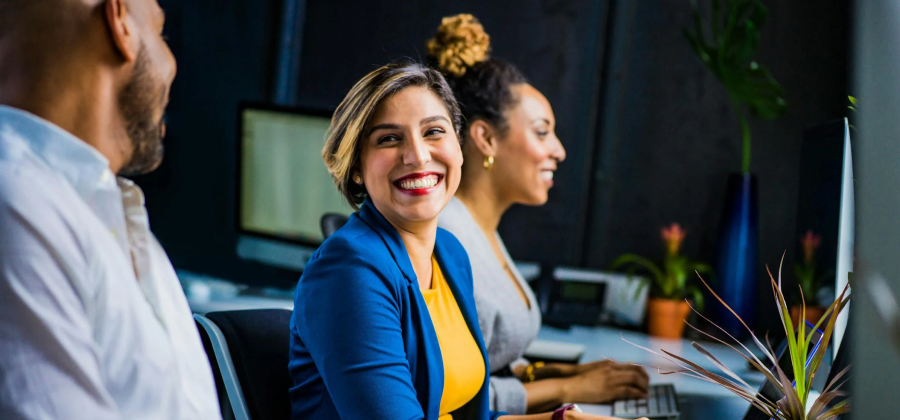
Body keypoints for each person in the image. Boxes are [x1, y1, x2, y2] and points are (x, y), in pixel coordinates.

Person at [288, 62, 645, 420]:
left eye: (434, 132)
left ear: (458, 148)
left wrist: (562, 419)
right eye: (389, 139)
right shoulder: (349, 270)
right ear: (356, 168)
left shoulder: (449, 253)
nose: (418, 155)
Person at [0, 0, 221, 419]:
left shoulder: (110, 217)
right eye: (161, 32)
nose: (172, 62)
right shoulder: (17, 204)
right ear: (120, 21)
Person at [429, 14, 650, 414]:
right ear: (486, 138)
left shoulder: (482, 231)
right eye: (542, 131)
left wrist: (558, 375)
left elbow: (490, 361)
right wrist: (569, 390)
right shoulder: (447, 238)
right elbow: (452, 395)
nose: (559, 150)